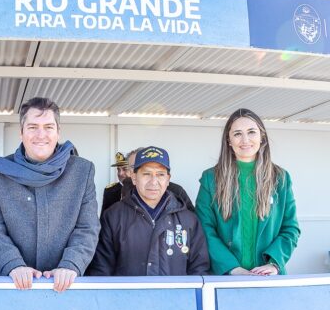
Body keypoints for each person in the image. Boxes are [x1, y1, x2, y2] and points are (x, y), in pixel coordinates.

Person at [0, 97, 99, 292]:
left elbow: (87, 227)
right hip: (12, 284)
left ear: (58, 132)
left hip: (66, 286)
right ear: (21, 132)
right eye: (33, 127)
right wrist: (13, 264)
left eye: (49, 127)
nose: (41, 134)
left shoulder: (82, 171)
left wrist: (71, 264)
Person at [195, 108, 300, 275]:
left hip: (269, 277)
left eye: (251, 132)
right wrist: (232, 268)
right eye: (237, 134)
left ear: (262, 136)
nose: (245, 140)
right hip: (225, 277)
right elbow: (204, 228)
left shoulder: (280, 178)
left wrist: (274, 264)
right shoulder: (210, 178)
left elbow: (290, 228)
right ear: (228, 140)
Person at [88, 146, 210, 276]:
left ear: (168, 179)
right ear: (134, 178)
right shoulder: (113, 217)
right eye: (146, 174)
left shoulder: (188, 220)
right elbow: (101, 270)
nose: (153, 181)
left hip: (176, 296)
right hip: (127, 296)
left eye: (160, 174)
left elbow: (199, 269)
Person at [118, 148, 195, 212]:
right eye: (133, 167)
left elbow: (191, 219)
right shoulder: (124, 190)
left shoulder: (176, 190)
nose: (153, 182)